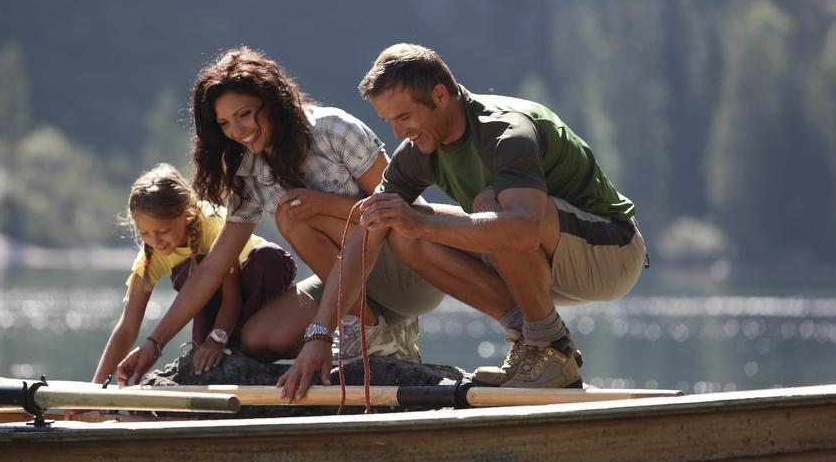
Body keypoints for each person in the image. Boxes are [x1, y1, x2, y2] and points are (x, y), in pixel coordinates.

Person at [280, 43, 646, 401]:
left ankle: (549, 347)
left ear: (440, 96)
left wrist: (420, 223)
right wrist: (320, 335)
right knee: (399, 224)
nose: (397, 133)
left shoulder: (505, 132)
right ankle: (532, 344)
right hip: (543, 256)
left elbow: (524, 229)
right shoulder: (417, 151)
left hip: (610, 254)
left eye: (404, 117)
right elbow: (369, 229)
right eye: (388, 121)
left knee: (485, 204)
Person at [115, 47, 444, 385]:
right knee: (256, 338)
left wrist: (321, 204)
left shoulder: (333, 130)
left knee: (293, 214)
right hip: (353, 285)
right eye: (225, 123)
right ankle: (376, 332)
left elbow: (404, 213)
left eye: (244, 114)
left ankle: (370, 335)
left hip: (410, 272)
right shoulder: (249, 171)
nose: (237, 130)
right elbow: (214, 267)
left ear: (272, 101)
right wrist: (154, 345)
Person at [91, 163, 297, 384]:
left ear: (187, 214)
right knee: (189, 270)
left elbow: (232, 299)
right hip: (221, 312)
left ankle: (239, 348)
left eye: (163, 231)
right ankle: (209, 348)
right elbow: (128, 326)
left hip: (259, 291)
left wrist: (217, 339)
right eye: (145, 233)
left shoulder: (213, 226)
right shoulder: (151, 255)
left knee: (257, 257)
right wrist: (94, 389)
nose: (156, 241)